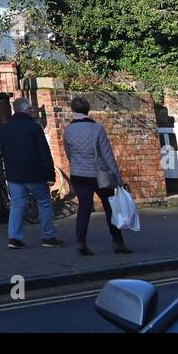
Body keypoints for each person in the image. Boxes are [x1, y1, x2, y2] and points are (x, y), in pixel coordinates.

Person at [63, 96, 130, 256]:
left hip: (78, 174)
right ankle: (118, 242)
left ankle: (81, 242)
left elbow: (68, 153)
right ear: (88, 110)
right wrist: (118, 179)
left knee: (84, 208)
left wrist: (77, 165)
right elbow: (108, 155)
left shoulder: (68, 130)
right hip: (99, 175)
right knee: (109, 207)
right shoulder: (97, 129)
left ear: (73, 111)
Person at [0, 97, 62, 249]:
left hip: (14, 175)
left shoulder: (5, 128)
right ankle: (48, 236)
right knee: (44, 203)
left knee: (17, 205)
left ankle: (14, 238)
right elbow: (44, 153)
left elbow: (4, 152)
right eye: (31, 109)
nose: (33, 111)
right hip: (35, 174)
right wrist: (50, 175)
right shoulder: (34, 127)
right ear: (26, 110)